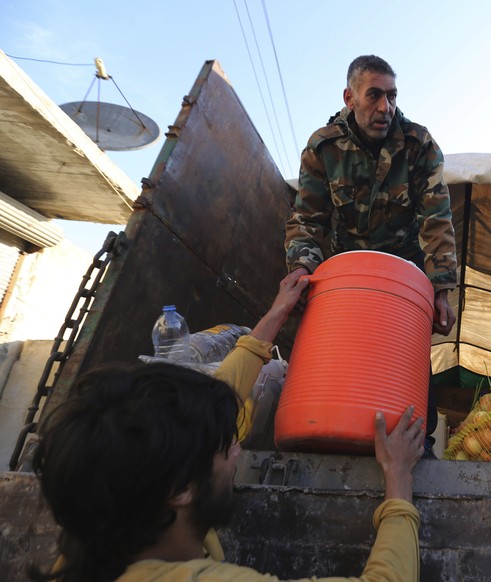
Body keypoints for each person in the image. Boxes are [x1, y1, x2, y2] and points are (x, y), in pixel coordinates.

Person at [31, 272, 424, 582]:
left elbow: (224, 395)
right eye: (224, 446)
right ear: (181, 489)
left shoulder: (101, 535)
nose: (237, 449)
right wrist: (398, 480)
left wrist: (274, 316)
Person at [285, 55, 458, 456]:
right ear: (350, 97)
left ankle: (420, 444)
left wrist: (441, 289)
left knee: (406, 361)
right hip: (347, 277)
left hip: (405, 277)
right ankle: (331, 431)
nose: (386, 107)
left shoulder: (419, 145)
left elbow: (437, 220)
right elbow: (307, 218)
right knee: (339, 361)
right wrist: (302, 269)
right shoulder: (323, 147)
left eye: (392, 96)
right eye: (374, 95)